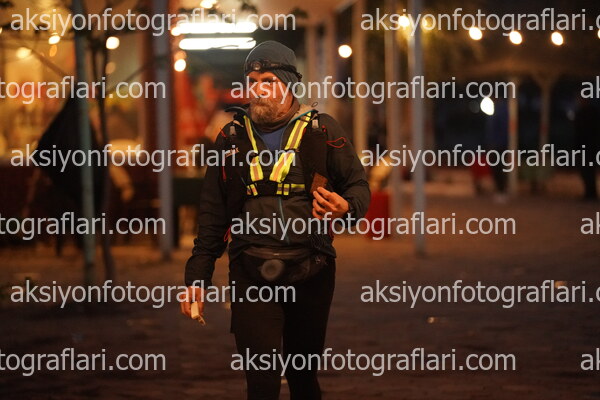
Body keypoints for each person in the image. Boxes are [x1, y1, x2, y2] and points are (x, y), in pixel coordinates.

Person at [179, 40, 370, 399]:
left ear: (289, 84)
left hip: (310, 270)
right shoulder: (230, 138)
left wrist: (345, 207)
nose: (258, 90)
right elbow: (212, 214)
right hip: (250, 272)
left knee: (302, 378)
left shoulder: (322, 131)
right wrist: (197, 277)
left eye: (268, 81)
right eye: (253, 81)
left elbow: (358, 186)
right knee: (261, 383)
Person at [574, 97, 599, 201]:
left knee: (587, 171)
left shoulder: (584, 113)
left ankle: (590, 192)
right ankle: (590, 192)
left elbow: (579, 132)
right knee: (588, 171)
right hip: (590, 147)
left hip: (587, 147)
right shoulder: (593, 112)